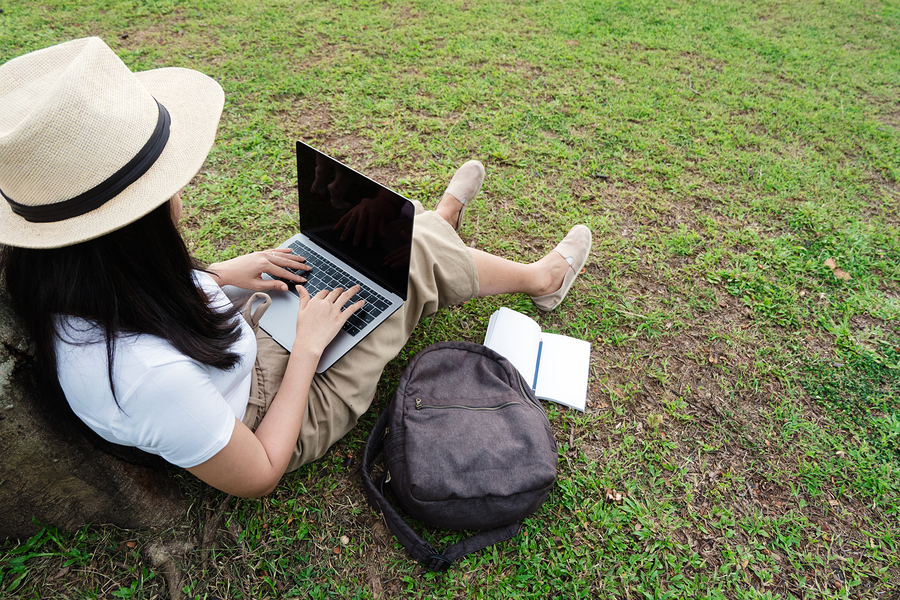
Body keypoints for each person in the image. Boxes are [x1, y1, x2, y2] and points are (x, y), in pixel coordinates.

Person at [0, 38, 591, 498]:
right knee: (401, 257)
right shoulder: (144, 381)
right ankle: (539, 279)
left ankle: (438, 231)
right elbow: (257, 472)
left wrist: (225, 273)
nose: (181, 195)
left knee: (358, 247)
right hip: (272, 410)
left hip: (229, 347)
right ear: (131, 235)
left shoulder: (69, 279)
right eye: (165, 189)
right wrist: (308, 347)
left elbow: (143, 302)